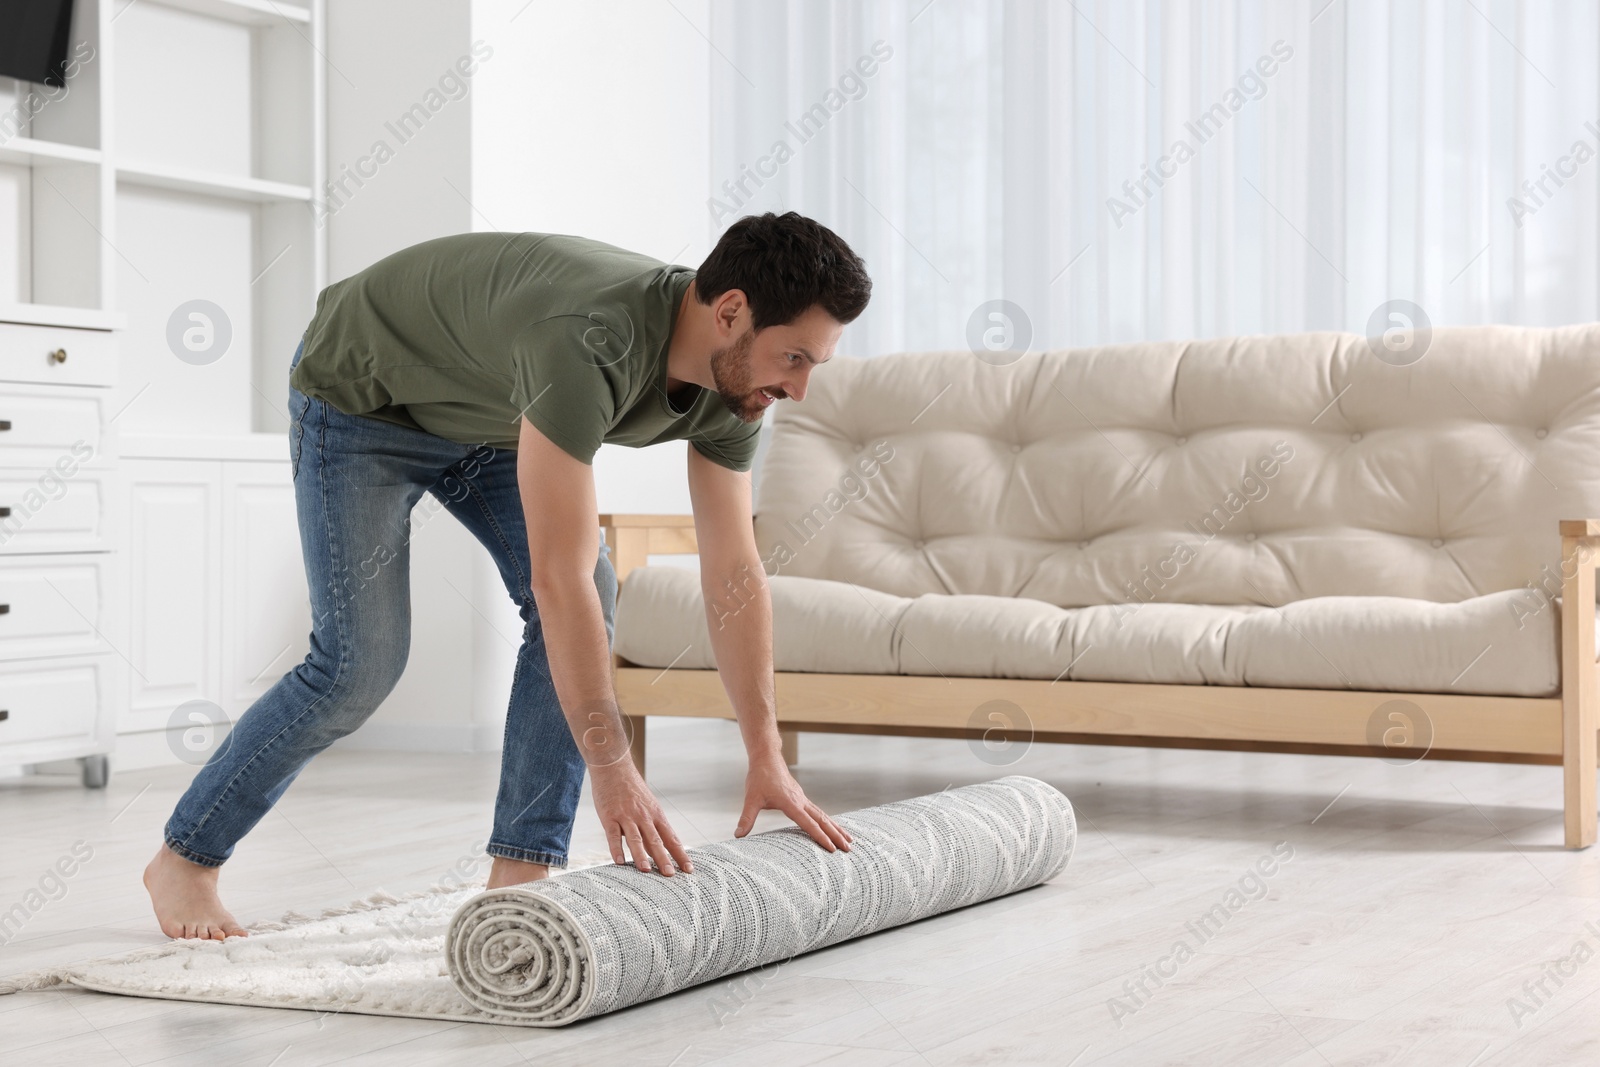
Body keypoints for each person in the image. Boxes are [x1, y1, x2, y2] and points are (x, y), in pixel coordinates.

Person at [143, 212, 870, 939]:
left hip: (491, 414)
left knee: (594, 590)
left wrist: (766, 752)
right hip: (362, 400)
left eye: (815, 364)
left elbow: (734, 572)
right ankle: (186, 858)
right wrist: (613, 768)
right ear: (732, 312)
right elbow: (560, 577)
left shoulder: (740, 386)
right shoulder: (588, 339)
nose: (799, 389)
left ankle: (518, 881)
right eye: (795, 358)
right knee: (358, 666)